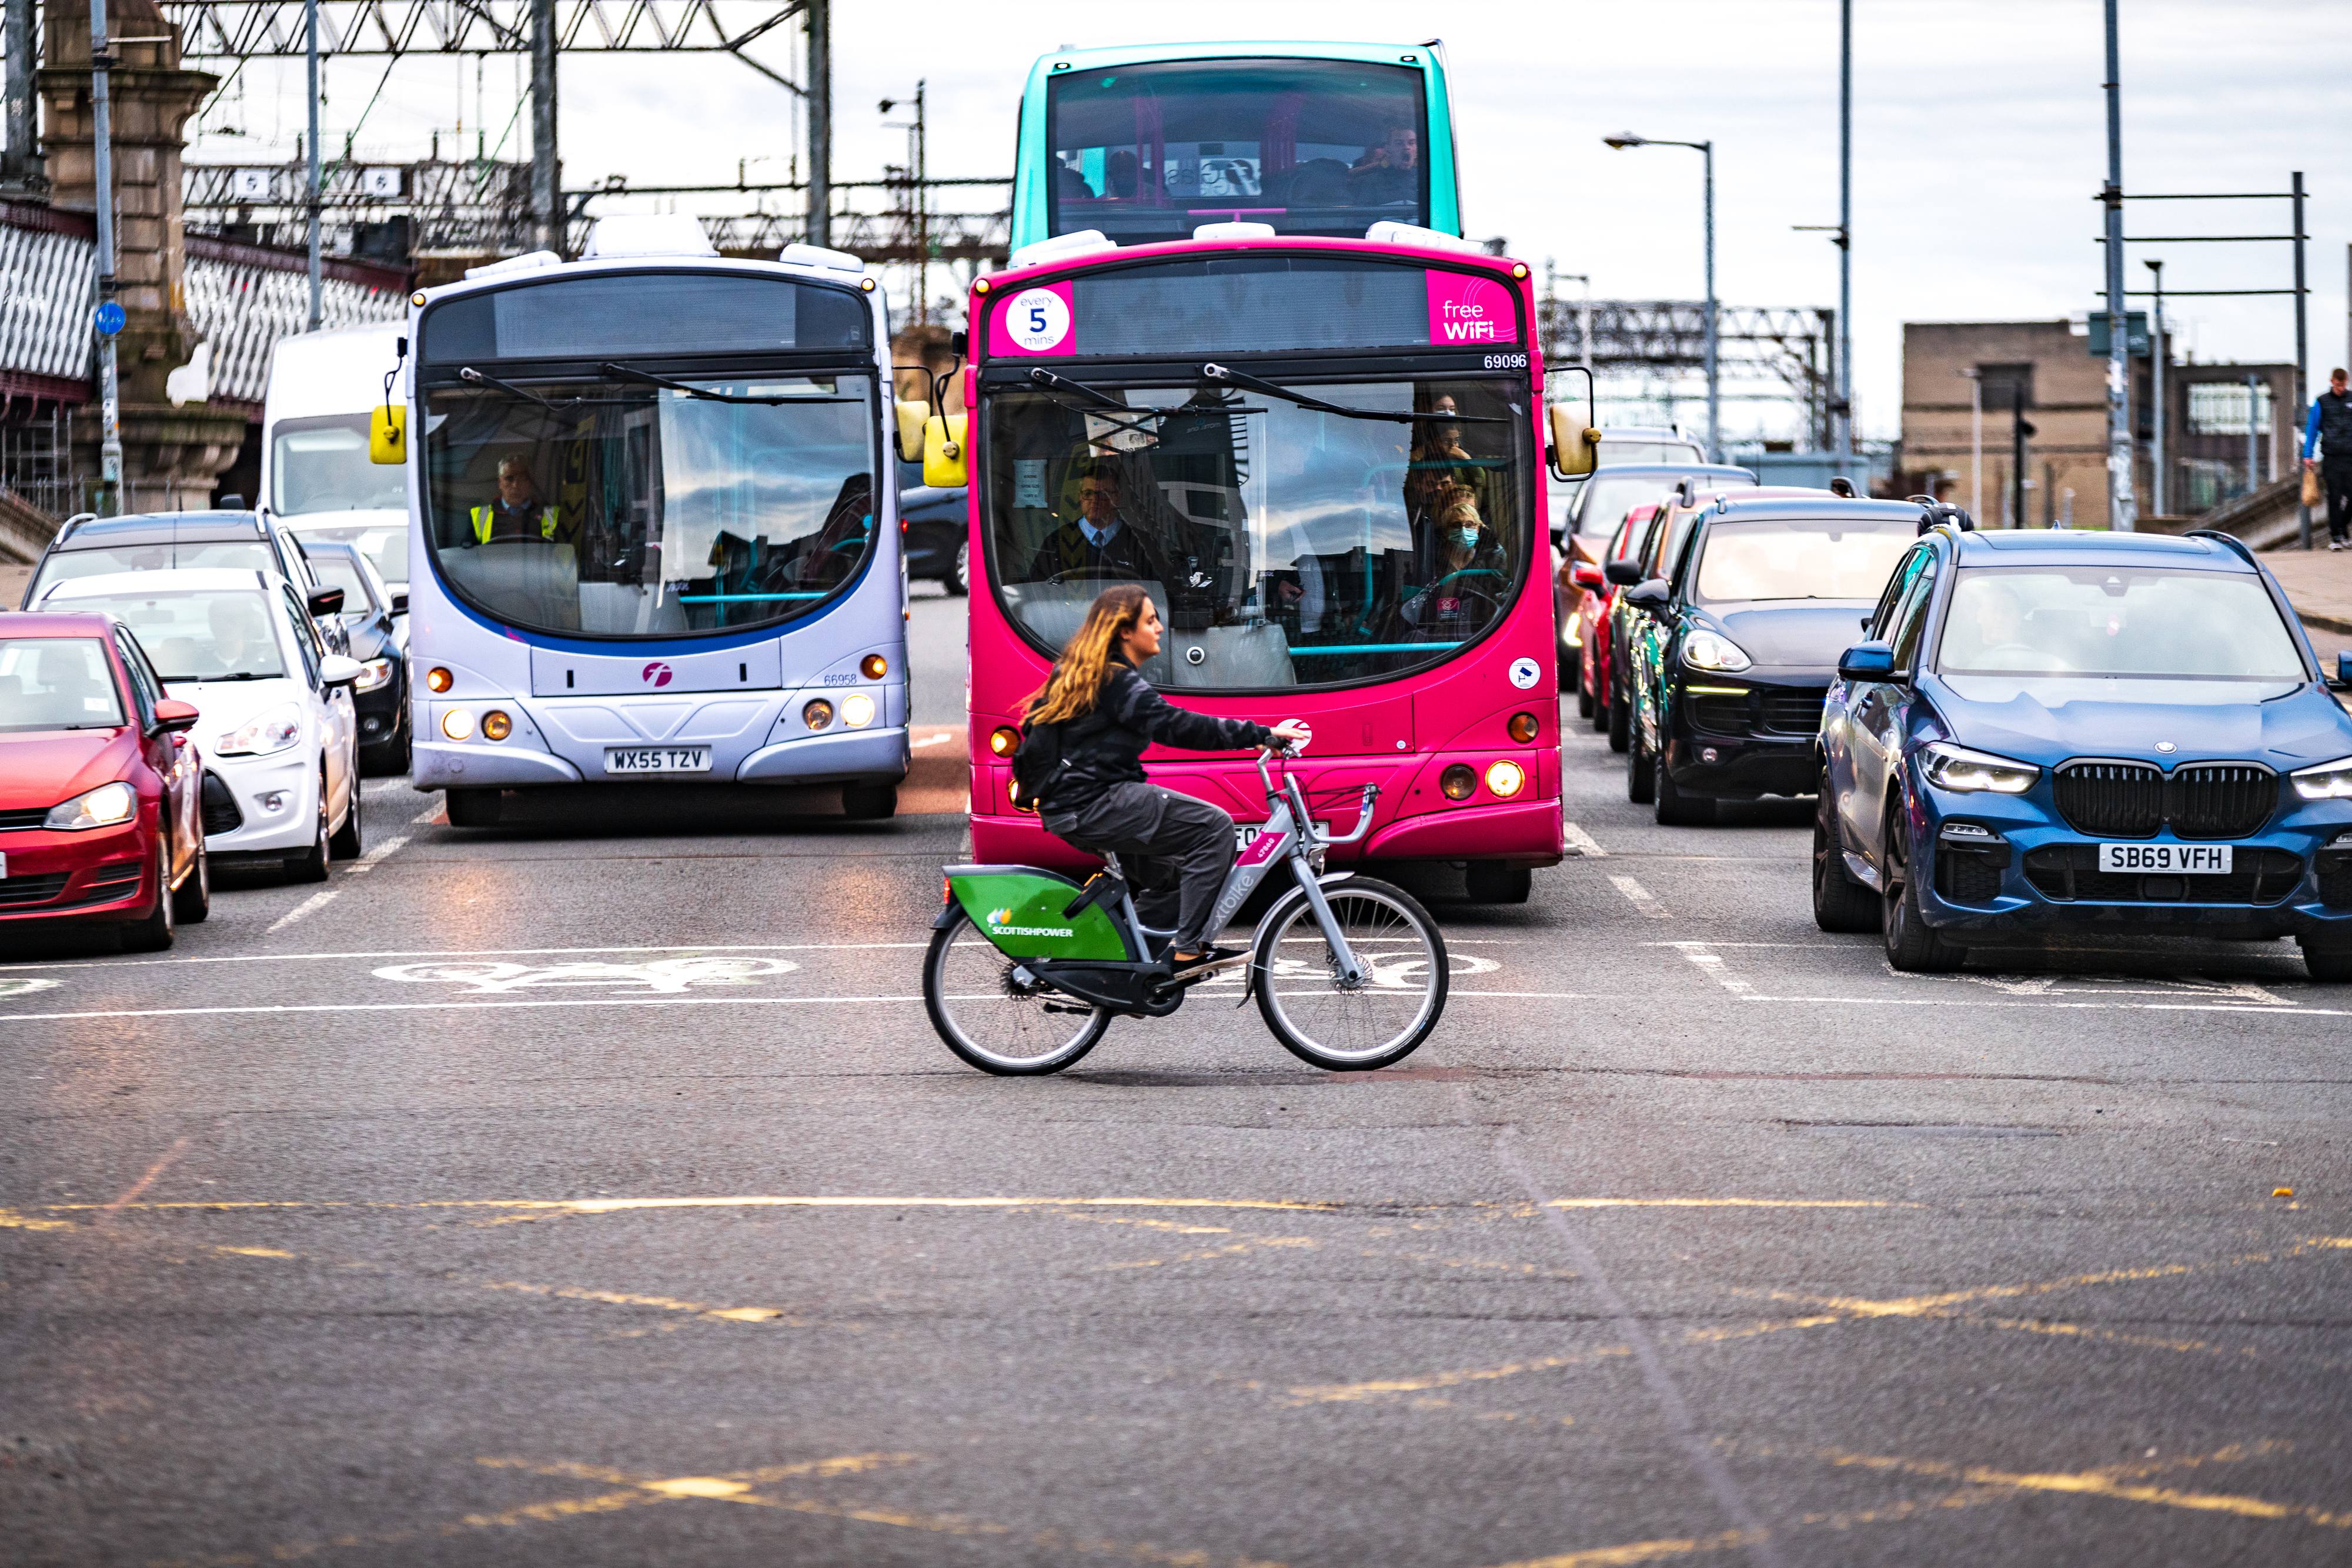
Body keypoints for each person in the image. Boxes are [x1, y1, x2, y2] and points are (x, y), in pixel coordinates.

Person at [1029, 584, 1309, 972]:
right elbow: (1178, 726)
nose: (1160, 627)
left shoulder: (1090, 673)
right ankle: (1189, 950)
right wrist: (1259, 734)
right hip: (1094, 802)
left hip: (1076, 804)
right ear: (1124, 631)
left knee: (1172, 877)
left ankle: (1125, 970)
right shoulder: (1114, 680)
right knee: (1214, 828)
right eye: (1150, 619)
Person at [1027, 468, 1171, 584]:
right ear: (1080, 497)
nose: (1095, 500)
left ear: (1117, 498)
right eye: (1088, 493)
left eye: (1103, 494)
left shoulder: (1143, 544)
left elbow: (1160, 592)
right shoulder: (1056, 542)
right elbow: (1037, 591)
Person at [1399, 487, 1507, 635]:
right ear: (1446, 530)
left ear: (1477, 529)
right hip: (1436, 629)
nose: (1463, 531)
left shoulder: (1495, 558)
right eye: (1456, 525)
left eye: (1469, 525)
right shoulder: (1430, 559)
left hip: (1482, 630)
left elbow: (1504, 596)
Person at [2303, 367, 2352, 551]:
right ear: (2332, 382)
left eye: (2343, 385)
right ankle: (2336, 537)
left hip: (2350, 457)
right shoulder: (2322, 402)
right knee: (2335, 497)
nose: (2341, 388)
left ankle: (2342, 526)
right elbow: (2312, 429)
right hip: (2331, 457)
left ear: (2347, 382)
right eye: (2338, 385)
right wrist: (2308, 455)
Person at [470, 457, 564, 545]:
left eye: (523, 479)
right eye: (509, 479)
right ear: (500, 483)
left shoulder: (550, 515)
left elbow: (563, 556)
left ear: (530, 483)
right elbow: (468, 557)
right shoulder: (479, 516)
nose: (515, 485)